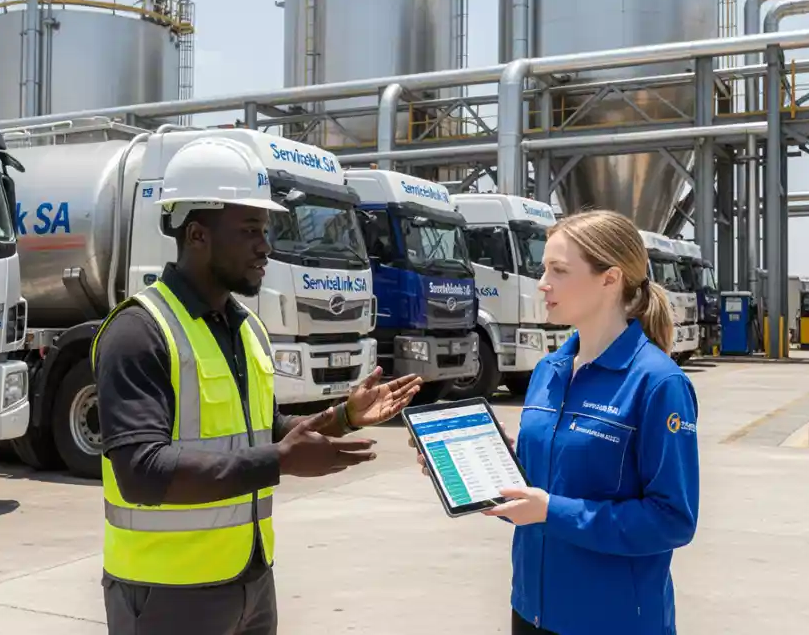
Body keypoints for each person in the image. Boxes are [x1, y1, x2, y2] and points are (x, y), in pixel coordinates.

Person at [93, 135, 423, 635]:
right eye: (250, 230)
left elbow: (259, 429)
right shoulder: (138, 332)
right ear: (197, 235)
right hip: (167, 590)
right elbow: (141, 472)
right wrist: (281, 462)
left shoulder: (246, 327)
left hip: (249, 576)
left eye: (265, 230)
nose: (265, 246)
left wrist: (342, 417)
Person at [410, 209, 700, 635]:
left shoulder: (658, 383)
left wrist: (551, 511)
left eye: (559, 270)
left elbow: (672, 519)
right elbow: (539, 493)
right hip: (531, 610)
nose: (542, 283)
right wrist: (478, 467)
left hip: (612, 621)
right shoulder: (549, 370)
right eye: (543, 268)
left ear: (610, 279)